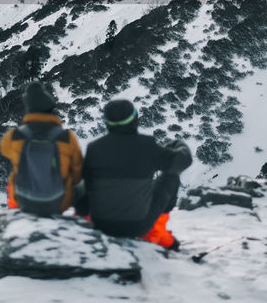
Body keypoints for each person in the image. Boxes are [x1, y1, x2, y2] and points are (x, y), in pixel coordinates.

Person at [81, 98, 192, 249]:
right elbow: (183, 161)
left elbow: (87, 186)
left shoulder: (94, 148)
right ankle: (156, 232)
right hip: (138, 226)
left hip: (101, 224)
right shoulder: (147, 146)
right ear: (135, 119)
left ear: (107, 122)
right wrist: (179, 145)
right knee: (171, 176)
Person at [0, 81, 83, 215]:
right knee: (82, 185)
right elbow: (77, 173)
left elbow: (4, 149)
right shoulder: (67, 137)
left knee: (14, 174)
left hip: (24, 201)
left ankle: (15, 211)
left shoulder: (15, 136)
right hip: (58, 202)